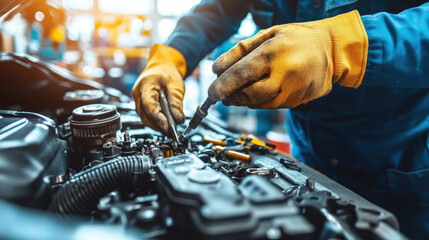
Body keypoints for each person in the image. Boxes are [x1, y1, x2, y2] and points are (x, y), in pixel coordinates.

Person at [132, 1, 429, 238]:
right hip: (307, 165)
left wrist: (341, 45)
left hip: (400, 169)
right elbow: (220, 8)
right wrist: (172, 55)